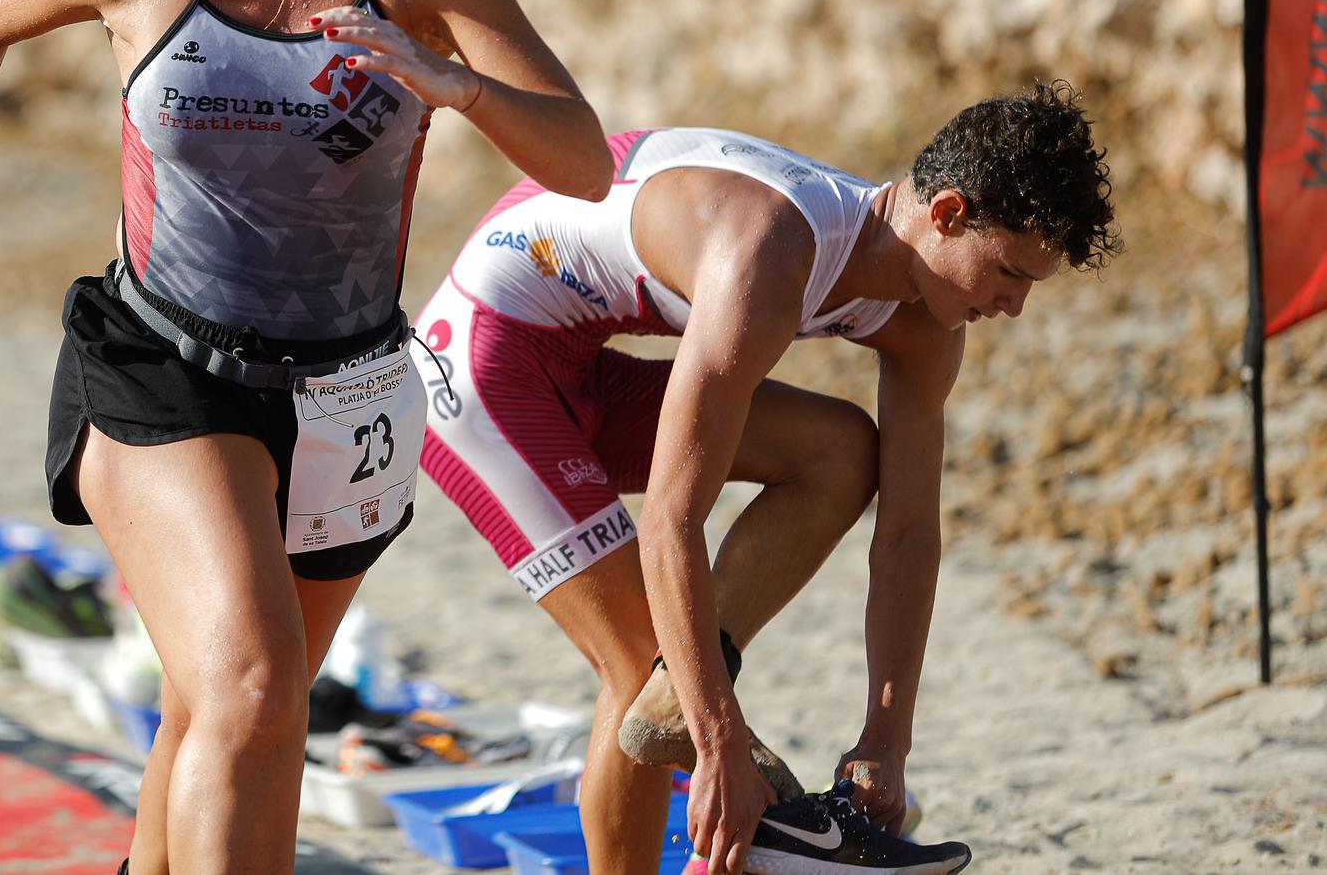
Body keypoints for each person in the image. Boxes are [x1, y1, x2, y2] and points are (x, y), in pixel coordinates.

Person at [0, 0, 611, 875]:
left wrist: (459, 88)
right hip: (162, 367)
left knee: (220, 709)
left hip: (347, 398)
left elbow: (582, 160)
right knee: (254, 684)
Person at [410, 85, 1119, 875]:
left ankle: (687, 705)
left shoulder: (928, 324)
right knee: (645, 658)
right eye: (1010, 273)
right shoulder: (772, 252)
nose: (1016, 306)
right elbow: (672, 520)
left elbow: (911, 531)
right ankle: (685, 720)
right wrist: (717, 745)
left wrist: (887, 737)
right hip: (479, 356)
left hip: (578, 355)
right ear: (948, 213)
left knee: (842, 453)